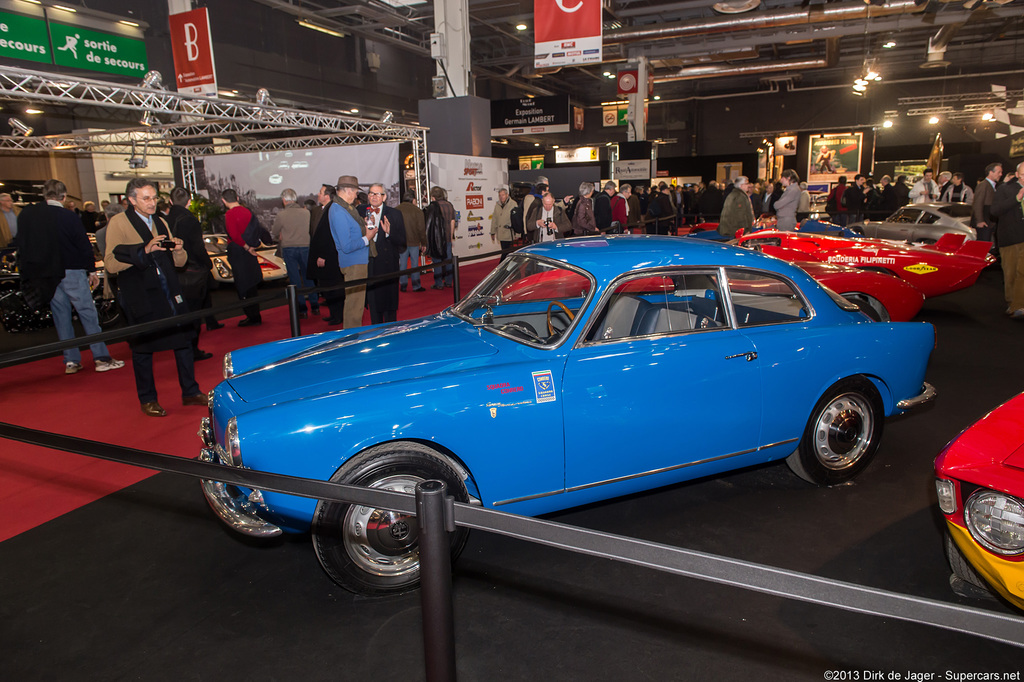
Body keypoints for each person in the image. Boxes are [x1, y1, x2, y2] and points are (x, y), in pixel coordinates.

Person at [104, 178, 205, 416]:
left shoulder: (160, 220)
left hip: (169, 289)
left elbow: (177, 262)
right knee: (142, 349)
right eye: (146, 198)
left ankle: (190, 391)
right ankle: (148, 398)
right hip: (140, 293)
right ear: (131, 200)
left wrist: (179, 250)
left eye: (154, 198)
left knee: (183, 343)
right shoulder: (119, 222)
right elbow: (110, 263)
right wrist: (144, 250)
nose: (152, 203)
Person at [15, 179, 125, 375]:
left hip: (47, 274)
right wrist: (91, 270)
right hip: (72, 271)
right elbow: (82, 244)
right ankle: (101, 358)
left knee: (61, 315)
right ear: (64, 197)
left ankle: (71, 361)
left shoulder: (30, 216)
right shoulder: (68, 216)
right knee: (88, 314)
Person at [166, 186, 214, 361]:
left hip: (172, 271)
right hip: (192, 272)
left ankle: (183, 348)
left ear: (171, 201)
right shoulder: (190, 220)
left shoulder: (164, 219)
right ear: (189, 201)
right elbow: (197, 247)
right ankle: (191, 350)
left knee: (179, 311)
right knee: (193, 314)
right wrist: (208, 264)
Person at [331, 175, 378, 327]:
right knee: (354, 306)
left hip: (356, 261)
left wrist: (362, 227)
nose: (357, 195)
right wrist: (367, 237)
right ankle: (351, 338)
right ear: (348, 191)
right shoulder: (339, 211)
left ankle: (352, 335)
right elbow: (347, 246)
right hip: (353, 263)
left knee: (355, 304)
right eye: (355, 192)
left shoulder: (343, 208)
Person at [359, 183, 406, 324]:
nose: (374, 197)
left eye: (378, 194)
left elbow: (403, 243)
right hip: (369, 263)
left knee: (389, 303)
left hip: (388, 265)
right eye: (371, 193)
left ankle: (391, 331)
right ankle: (376, 331)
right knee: (373, 303)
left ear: (384, 197)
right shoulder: (360, 211)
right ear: (368, 196)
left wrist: (388, 233)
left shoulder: (394, 214)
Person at [221, 188, 265, 326]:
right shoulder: (247, 211)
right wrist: (252, 247)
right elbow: (258, 230)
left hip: (238, 251)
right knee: (252, 284)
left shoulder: (229, 214)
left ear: (224, 201)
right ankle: (256, 315)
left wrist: (246, 247)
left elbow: (234, 236)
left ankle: (251, 316)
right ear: (238, 198)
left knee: (243, 285)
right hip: (249, 249)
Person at [271, 188, 317, 318]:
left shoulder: (281, 215)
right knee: (308, 277)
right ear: (295, 199)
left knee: (295, 279)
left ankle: (302, 309)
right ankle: (315, 305)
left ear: (284, 200)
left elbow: (274, 232)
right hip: (305, 247)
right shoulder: (306, 213)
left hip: (289, 248)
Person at [992, 161, 1024, 318]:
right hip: (1010, 238)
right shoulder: (1004, 189)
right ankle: (1013, 304)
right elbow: (995, 210)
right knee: (1010, 272)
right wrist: (1016, 198)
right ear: (1017, 174)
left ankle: (1019, 305)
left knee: (1022, 272)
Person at [307, 183, 343, 324]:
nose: (318, 195)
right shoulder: (320, 210)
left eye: (320, 192)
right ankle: (334, 314)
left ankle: (338, 315)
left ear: (327, 196)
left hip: (329, 257)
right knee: (327, 287)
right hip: (321, 254)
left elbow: (329, 236)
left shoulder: (332, 210)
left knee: (333, 286)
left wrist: (324, 255)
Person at [425, 186, 455, 290]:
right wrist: (450, 237)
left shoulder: (433, 206)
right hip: (447, 238)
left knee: (437, 260)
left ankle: (439, 283)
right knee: (448, 260)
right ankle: (448, 281)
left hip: (437, 239)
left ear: (433, 197)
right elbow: (452, 222)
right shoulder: (449, 205)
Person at [397, 193, 427, 288]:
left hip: (401, 242)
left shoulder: (396, 210)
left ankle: (403, 284)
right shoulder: (417, 211)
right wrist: (424, 243)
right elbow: (421, 229)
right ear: (413, 200)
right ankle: (416, 285)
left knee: (402, 264)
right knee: (415, 264)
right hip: (414, 241)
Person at [972, 162, 1002, 243]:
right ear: (991, 172)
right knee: (982, 246)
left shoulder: (994, 185)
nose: (1000, 174)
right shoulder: (983, 185)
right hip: (984, 222)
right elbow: (978, 203)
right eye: (998, 172)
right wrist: (980, 221)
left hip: (989, 222)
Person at [490, 186, 516, 261]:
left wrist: (517, 233)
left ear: (507, 195)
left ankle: (502, 267)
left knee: (506, 253)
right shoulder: (497, 205)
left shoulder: (513, 204)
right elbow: (494, 219)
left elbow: (516, 219)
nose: (501, 197)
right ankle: (508, 268)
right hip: (501, 233)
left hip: (509, 233)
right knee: (505, 252)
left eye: (503, 195)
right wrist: (492, 232)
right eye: (500, 195)